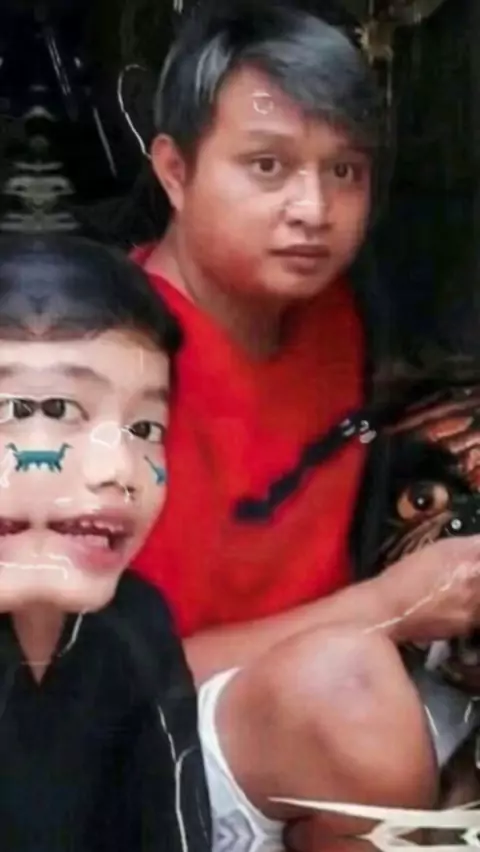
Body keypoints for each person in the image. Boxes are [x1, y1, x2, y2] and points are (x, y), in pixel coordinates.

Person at [129, 1, 480, 848]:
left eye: (344, 171)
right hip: (159, 738)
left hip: (356, 680)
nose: (313, 209)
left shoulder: (337, 319)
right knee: (347, 691)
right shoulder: (114, 369)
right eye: (268, 166)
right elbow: (108, 684)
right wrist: (390, 608)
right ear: (175, 171)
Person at [0, 234, 211, 852]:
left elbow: (175, 829)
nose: (120, 468)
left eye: (146, 427)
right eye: (49, 408)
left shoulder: (136, 628)